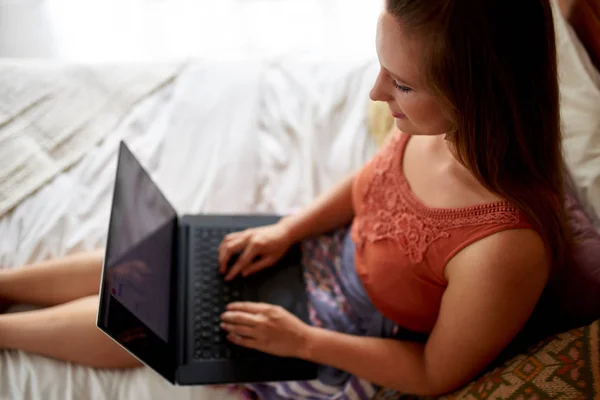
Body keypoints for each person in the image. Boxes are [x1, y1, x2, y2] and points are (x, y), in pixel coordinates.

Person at [0, 0, 571, 397]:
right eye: (382, 69)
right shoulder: (440, 129)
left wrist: (300, 341)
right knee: (171, 251)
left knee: (161, 320)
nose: (375, 93)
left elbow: (432, 372)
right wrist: (288, 230)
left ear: (479, 92)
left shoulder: (503, 249)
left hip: (343, 336)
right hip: (317, 258)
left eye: (401, 84)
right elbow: (371, 185)